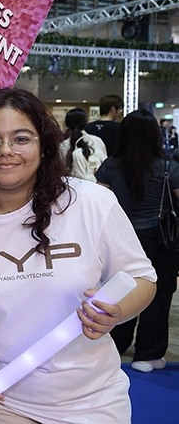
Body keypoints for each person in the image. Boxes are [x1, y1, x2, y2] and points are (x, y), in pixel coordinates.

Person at [0, 88, 156, 423]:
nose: (6, 151)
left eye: (21, 138)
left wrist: (117, 311)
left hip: (92, 401)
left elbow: (143, 279)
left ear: (44, 145)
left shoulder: (90, 203)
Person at [96, 109, 179, 373]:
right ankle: (148, 354)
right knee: (159, 295)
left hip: (119, 241)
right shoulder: (169, 168)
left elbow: (99, 206)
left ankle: (115, 346)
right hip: (161, 241)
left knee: (117, 294)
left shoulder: (109, 166)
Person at [58, 108, 107, 182]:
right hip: (96, 184)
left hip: (73, 186)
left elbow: (62, 170)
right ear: (85, 123)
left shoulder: (63, 145)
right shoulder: (97, 141)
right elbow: (105, 164)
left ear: (67, 124)